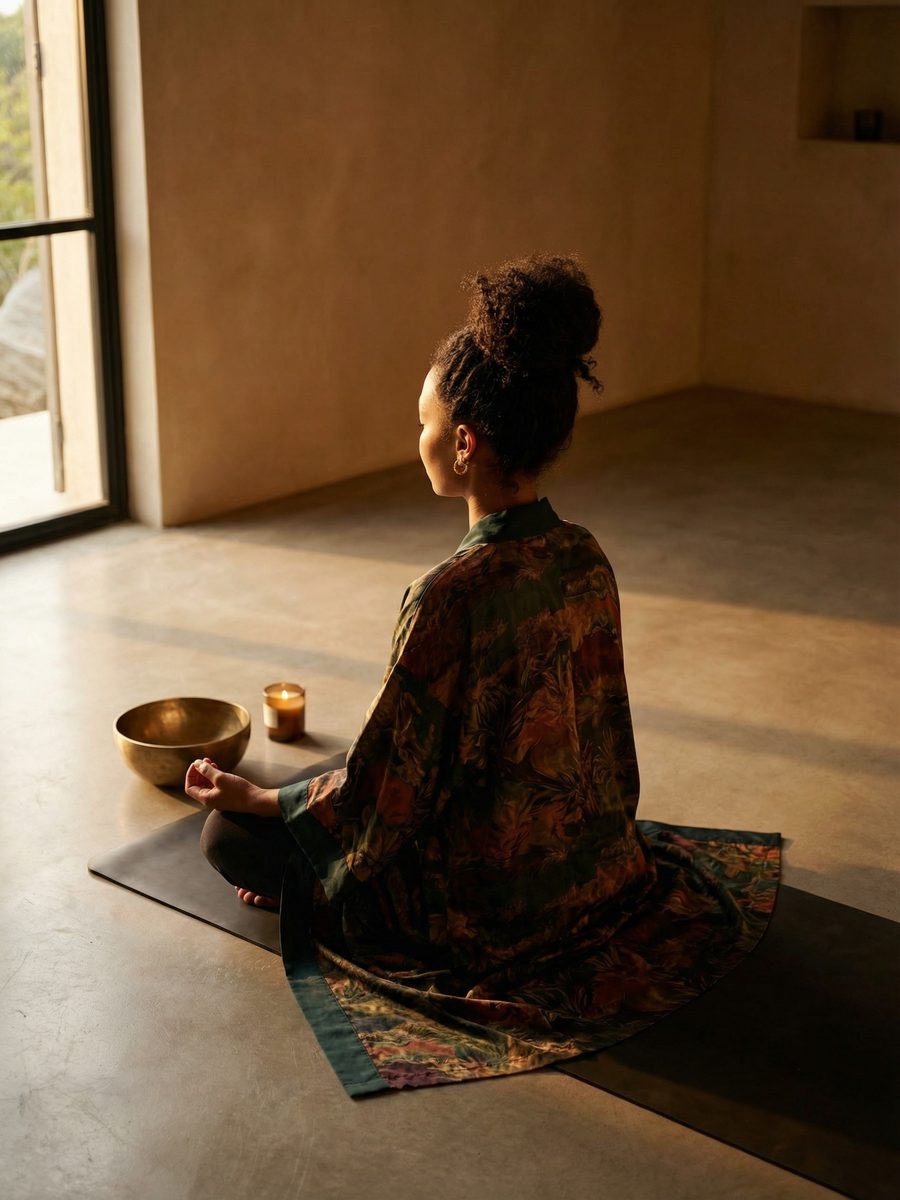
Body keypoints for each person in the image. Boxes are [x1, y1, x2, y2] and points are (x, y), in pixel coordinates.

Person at [186, 254, 780, 1095]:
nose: (417, 437)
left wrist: (262, 809)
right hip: (592, 865)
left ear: (464, 444)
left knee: (231, 836)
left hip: (478, 906)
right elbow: (602, 744)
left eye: (423, 422)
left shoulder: (448, 597)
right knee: (316, 783)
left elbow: (384, 797)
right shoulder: (585, 557)